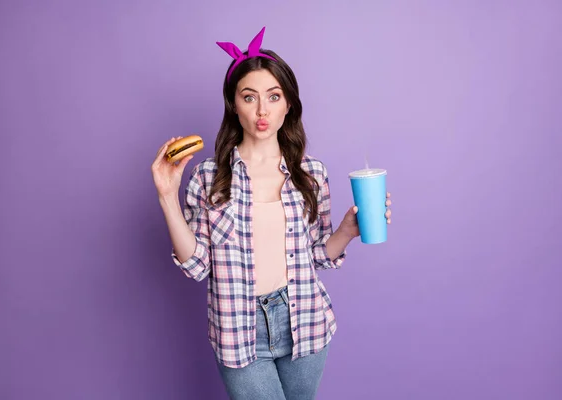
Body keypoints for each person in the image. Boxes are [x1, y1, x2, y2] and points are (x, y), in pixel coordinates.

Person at [151, 27, 392, 400]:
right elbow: (197, 265)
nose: (262, 110)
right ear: (234, 104)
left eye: (273, 97)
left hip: (305, 321)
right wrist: (168, 196)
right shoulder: (208, 177)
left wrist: (347, 230)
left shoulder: (312, 174)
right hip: (238, 329)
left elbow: (316, 256)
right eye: (250, 97)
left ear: (288, 103)